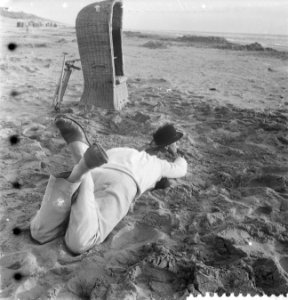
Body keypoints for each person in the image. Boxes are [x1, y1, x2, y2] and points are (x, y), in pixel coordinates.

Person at [30, 116, 188, 255]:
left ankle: (81, 167)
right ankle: (82, 167)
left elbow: (102, 158)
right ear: (167, 147)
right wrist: (176, 154)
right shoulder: (158, 164)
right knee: (80, 241)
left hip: (97, 171)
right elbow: (181, 169)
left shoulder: (122, 150)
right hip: (123, 183)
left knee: (40, 232)